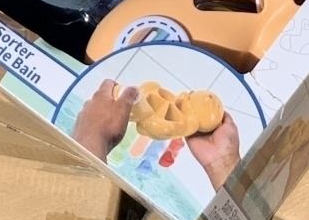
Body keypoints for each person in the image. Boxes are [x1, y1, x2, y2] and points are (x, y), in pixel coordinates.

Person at [72, 79, 241, 189]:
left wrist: (91, 139)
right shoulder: (184, 122)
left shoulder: (184, 123)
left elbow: (76, 199)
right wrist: (223, 163)